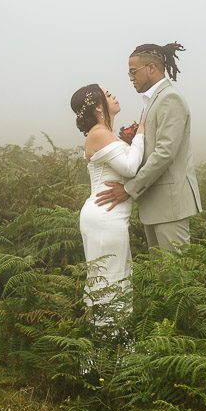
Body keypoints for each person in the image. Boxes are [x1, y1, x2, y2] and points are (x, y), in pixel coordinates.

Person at [95, 42, 201, 252]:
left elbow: (165, 153)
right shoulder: (154, 100)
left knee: (176, 276)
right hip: (156, 204)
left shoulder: (170, 98)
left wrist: (128, 189)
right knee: (160, 277)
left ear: (151, 68)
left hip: (170, 205)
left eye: (133, 72)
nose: (131, 78)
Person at [71, 83, 145, 320]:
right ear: (99, 107)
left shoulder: (106, 134)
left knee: (114, 280)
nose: (114, 95)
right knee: (110, 282)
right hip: (105, 215)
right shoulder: (99, 134)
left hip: (108, 214)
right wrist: (141, 133)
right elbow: (130, 167)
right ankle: (107, 344)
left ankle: (111, 344)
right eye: (108, 94)